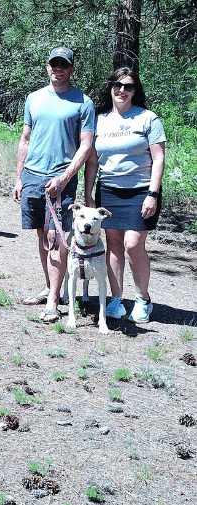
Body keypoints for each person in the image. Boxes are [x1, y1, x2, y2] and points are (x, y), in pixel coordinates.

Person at [13, 47, 94, 323]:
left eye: (63, 64)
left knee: (56, 237)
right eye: (54, 63)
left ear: (72, 69)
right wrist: (18, 177)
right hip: (33, 176)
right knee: (41, 234)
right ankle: (51, 287)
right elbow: (25, 139)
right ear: (47, 67)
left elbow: (85, 146)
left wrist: (64, 178)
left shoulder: (83, 102)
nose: (58, 68)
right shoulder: (33, 98)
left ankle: (53, 301)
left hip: (60, 178)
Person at [83, 68, 166, 323]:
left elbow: (158, 158)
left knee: (132, 244)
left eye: (128, 87)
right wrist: (88, 194)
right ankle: (116, 300)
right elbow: (92, 161)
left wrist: (152, 194)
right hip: (108, 190)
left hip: (141, 191)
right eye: (117, 85)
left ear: (134, 91)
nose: (122, 90)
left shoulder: (148, 119)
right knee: (114, 245)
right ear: (110, 87)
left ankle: (143, 300)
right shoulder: (99, 120)